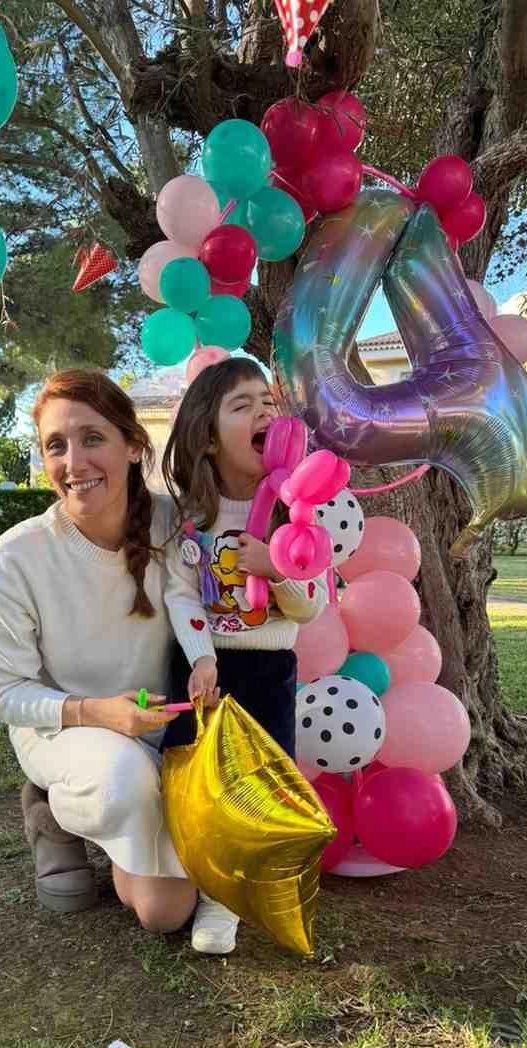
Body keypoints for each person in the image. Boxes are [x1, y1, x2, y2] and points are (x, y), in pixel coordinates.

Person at [0, 369, 197, 934]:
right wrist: (96, 713)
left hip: (164, 732)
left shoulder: (179, 527)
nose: (75, 462)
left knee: (168, 911)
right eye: (56, 446)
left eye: (93, 438)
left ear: (133, 445)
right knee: (159, 905)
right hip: (68, 731)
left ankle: (130, 819)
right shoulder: (12, 562)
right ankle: (51, 813)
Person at [161, 357, 327, 955]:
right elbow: (180, 596)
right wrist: (202, 656)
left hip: (268, 672)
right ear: (207, 437)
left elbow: (311, 608)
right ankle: (196, 872)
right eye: (243, 405)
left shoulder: (299, 512)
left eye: (267, 401)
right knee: (203, 781)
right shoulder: (193, 520)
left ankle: (225, 902)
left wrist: (277, 572)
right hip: (205, 670)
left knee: (256, 787)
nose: (264, 411)